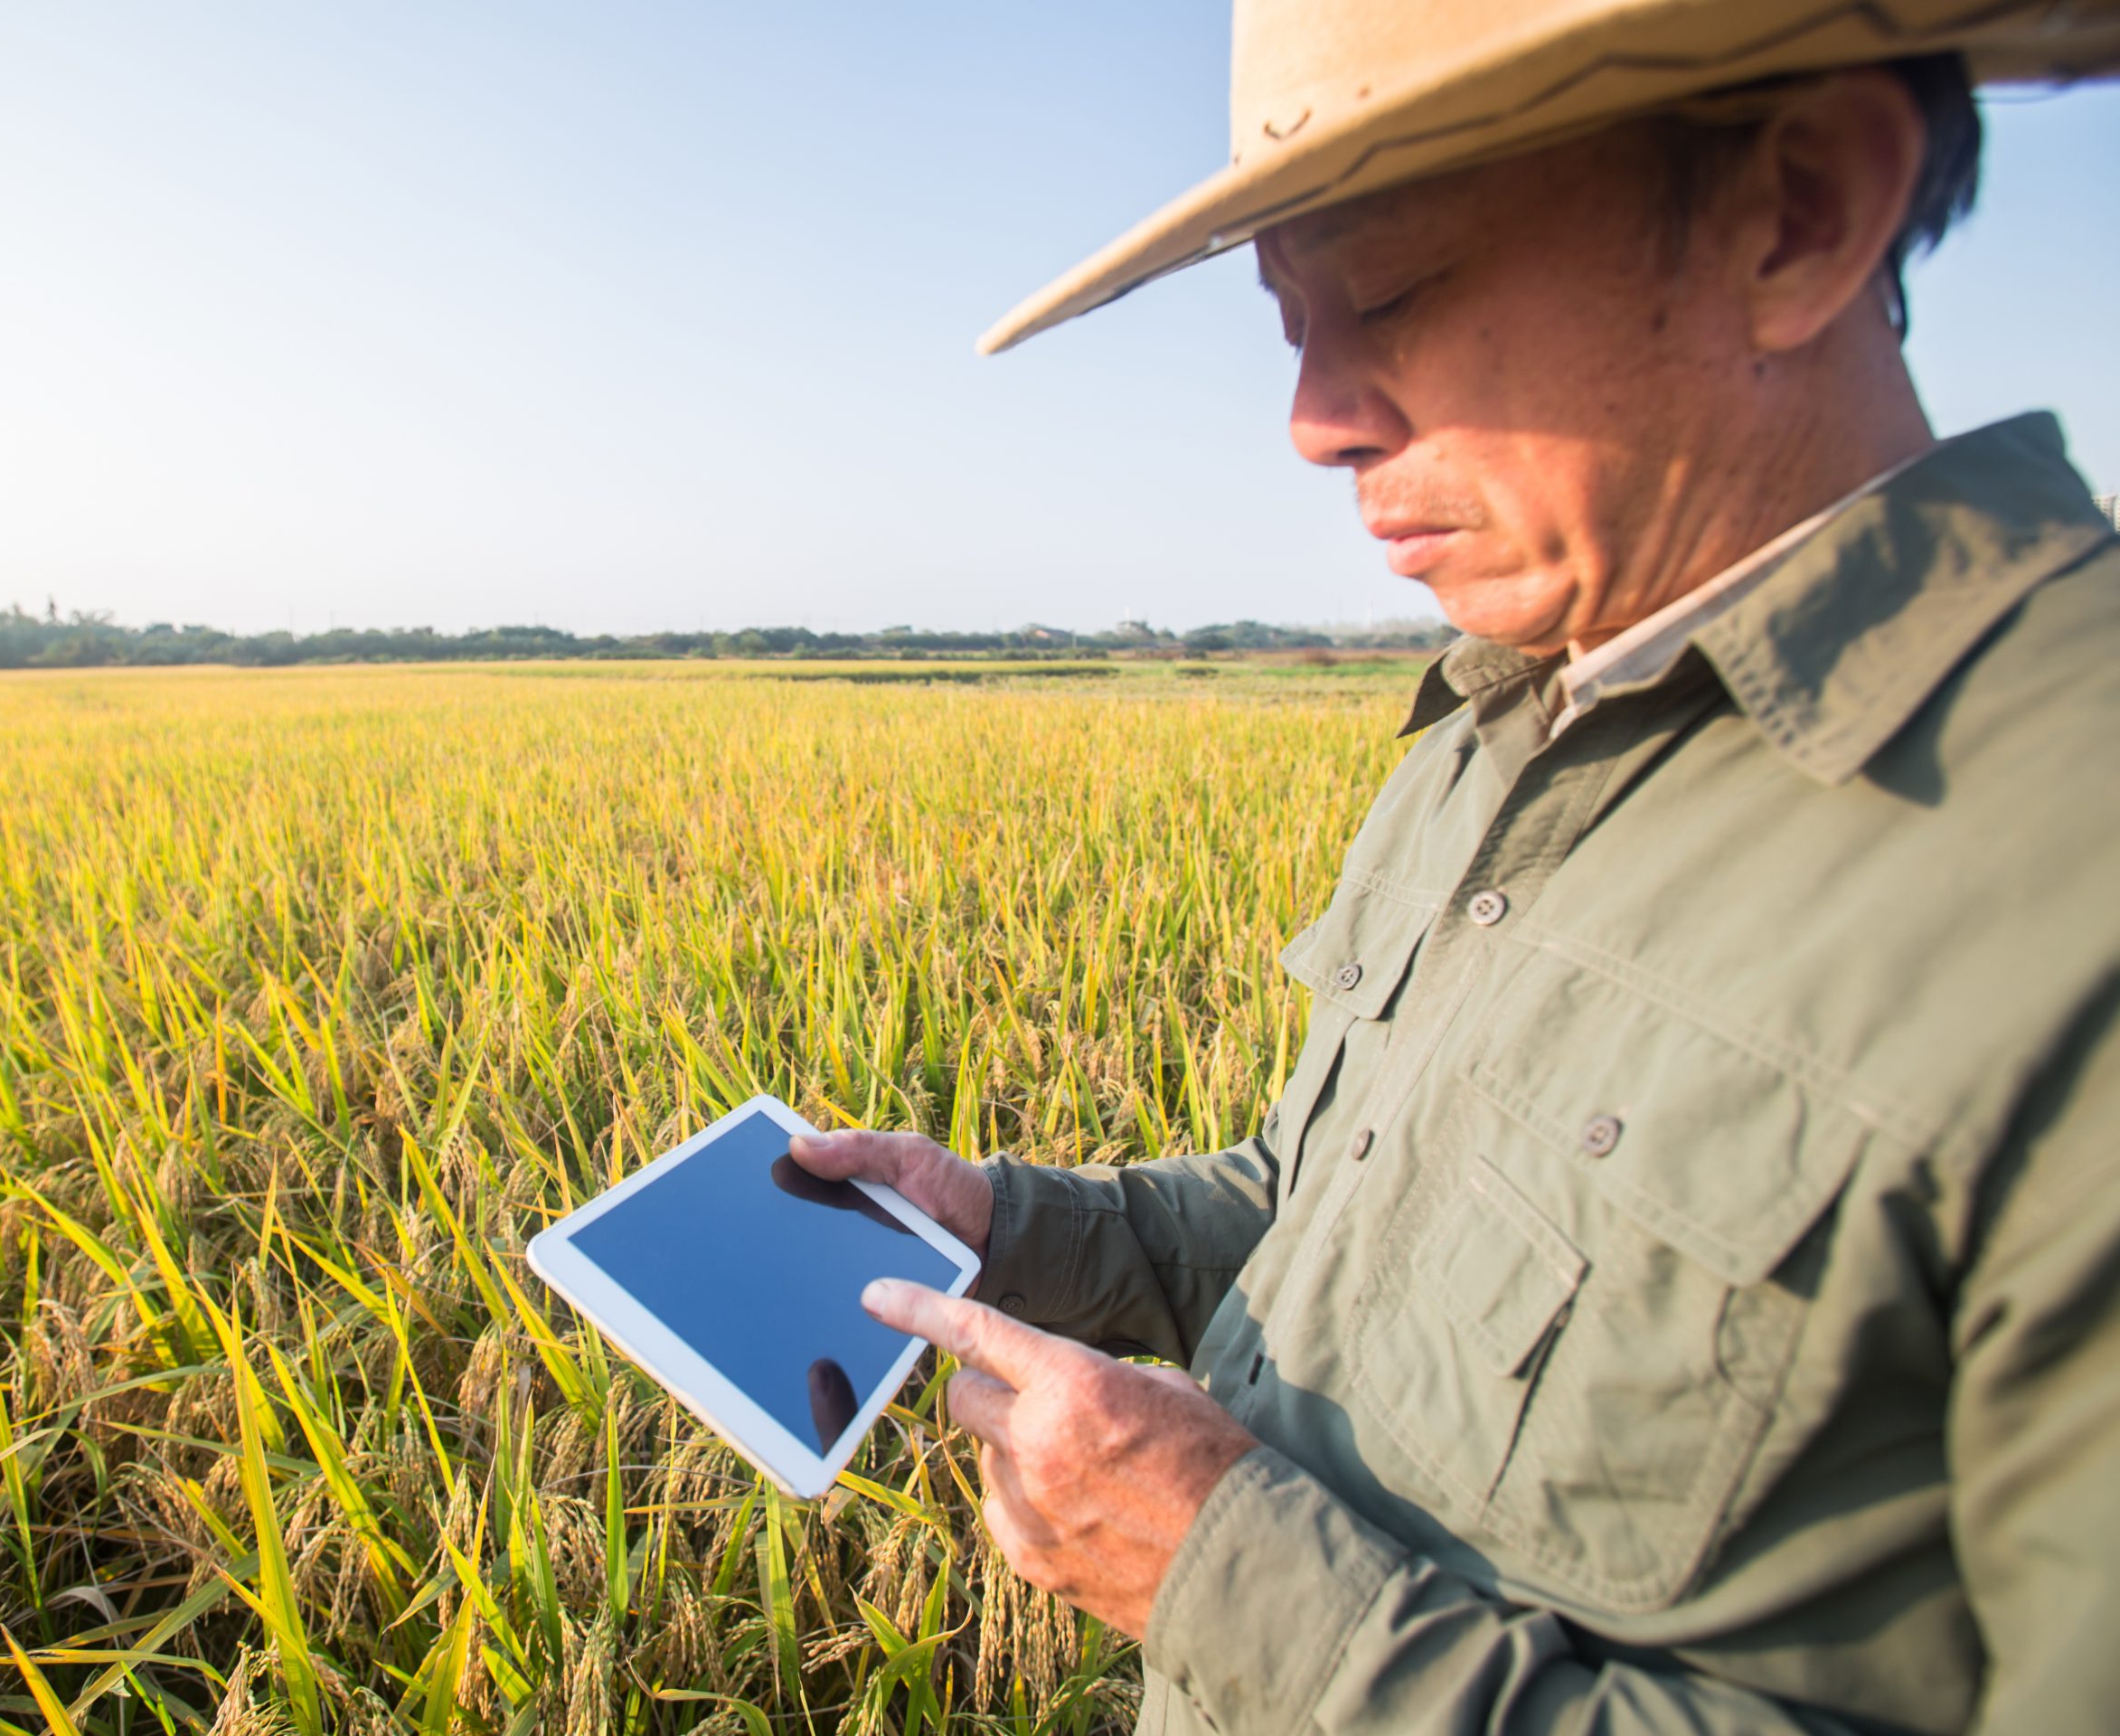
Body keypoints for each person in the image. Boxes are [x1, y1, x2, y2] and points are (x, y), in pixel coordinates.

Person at [791, 1, 2120, 1729]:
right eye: (1289, 323)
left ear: (1797, 211)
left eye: (1394, 291)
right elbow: (1322, 1220)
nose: (1314, 420)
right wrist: (1018, 1229)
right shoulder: (1508, 721)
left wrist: (1226, 1574)